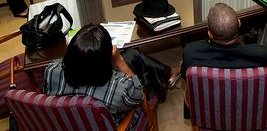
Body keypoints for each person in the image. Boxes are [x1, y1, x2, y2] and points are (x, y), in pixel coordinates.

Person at [44, 24, 180, 127]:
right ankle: (163, 82)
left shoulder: (50, 71)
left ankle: (167, 72)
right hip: (114, 125)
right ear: (104, 62)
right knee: (132, 62)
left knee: (131, 55)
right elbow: (138, 94)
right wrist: (119, 60)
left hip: (71, 124)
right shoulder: (118, 89)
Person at [181, 3, 267, 78]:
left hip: (209, 102)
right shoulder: (262, 53)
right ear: (239, 23)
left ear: (210, 34)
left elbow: (186, 77)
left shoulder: (190, 52)